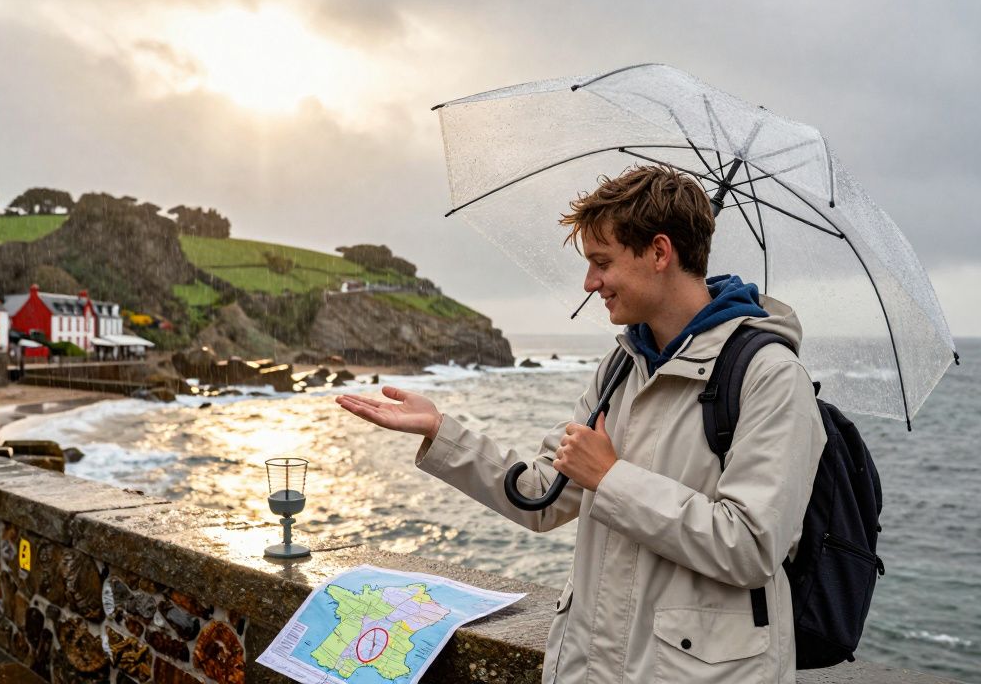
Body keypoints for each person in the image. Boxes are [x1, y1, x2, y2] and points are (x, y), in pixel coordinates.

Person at [335, 165, 827, 683]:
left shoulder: (769, 375)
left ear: (660, 253)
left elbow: (751, 546)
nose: (590, 283)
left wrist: (611, 479)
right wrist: (440, 431)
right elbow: (543, 497)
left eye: (601, 262)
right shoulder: (621, 367)